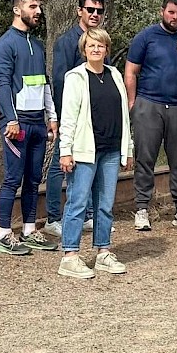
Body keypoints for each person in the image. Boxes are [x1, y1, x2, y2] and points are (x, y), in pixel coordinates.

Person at [124, 0, 177, 231]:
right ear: (162, 11)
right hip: (149, 104)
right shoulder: (146, 37)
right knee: (145, 158)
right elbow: (131, 71)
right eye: (171, 12)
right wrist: (132, 103)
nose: (175, 17)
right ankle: (141, 209)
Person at [57, 28, 133, 278]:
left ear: (107, 49)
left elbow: (124, 116)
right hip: (84, 151)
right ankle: (70, 255)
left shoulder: (115, 75)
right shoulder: (75, 77)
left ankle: (103, 252)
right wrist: (65, 151)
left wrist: (128, 148)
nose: (96, 49)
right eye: (91, 45)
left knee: (105, 205)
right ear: (84, 49)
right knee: (78, 203)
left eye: (100, 45)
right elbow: (67, 118)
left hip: (111, 150)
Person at [0, 0, 59, 255]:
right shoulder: (5, 45)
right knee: (12, 178)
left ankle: (29, 230)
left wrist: (52, 116)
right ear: (17, 9)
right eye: (33, 6)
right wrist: (10, 119)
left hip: (38, 124)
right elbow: (2, 85)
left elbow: (44, 84)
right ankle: (4, 234)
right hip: (16, 125)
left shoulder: (38, 45)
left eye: (39, 7)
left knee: (33, 179)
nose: (38, 12)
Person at [46, 0, 105, 237]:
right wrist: (60, 117)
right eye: (90, 9)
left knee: (88, 162)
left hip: (94, 117)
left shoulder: (100, 41)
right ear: (79, 10)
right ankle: (52, 217)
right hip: (72, 116)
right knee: (61, 164)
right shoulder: (66, 41)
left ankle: (88, 215)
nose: (94, 14)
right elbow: (59, 81)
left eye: (99, 11)